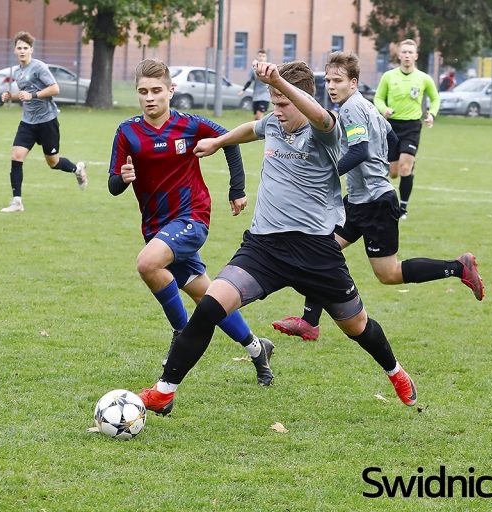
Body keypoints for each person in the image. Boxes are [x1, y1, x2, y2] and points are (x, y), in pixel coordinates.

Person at [137, 59, 418, 416]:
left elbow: (318, 115)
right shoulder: (275, 122)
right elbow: (252, 128)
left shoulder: (325, 130)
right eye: (274, 102)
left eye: (284, 103)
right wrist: (218, 142)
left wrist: (282, 85)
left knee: (357, 326)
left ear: (299, 98)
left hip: (315, 252)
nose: (278, 110)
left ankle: (396, 373)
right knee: (209, 306)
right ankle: (164, 390)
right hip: (263, 247)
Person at [272, 52, 484, 341]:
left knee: (389, 274)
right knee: (320, 250)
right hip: (359, 201)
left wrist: (329, 173)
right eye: (329, 80)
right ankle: (310, 322)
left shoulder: (351, 110)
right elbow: (392, 139)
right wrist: (382, 165)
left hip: (375, 204)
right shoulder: (366, 106)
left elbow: (359, 151)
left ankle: (459, 267)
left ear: (354, 82)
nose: (331, 86)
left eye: (338, 81)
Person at [108, 58, 274, 386]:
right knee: (208, 296)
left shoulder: (189, 124)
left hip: (191, 217)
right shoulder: (127, 132)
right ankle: (258, 349)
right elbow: (113, 184)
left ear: (171, 90)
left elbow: (229, 140)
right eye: (143, 91)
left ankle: (181, 332)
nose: (150, 97)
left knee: (147, 264)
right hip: (155, 228)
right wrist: (123, 178)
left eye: (157, 90)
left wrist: (237, 188)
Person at [0, 31, 87, 213]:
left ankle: (77, 169)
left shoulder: (38, 67)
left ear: (31, 49)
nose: (22, 51)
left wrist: (32, 95)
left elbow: (55, 88)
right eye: (19, 48)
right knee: (16, 156)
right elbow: (25, 96)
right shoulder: (18, 72)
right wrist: (11, 97)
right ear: (14, 50)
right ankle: (17, 202)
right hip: (28, 122)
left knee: (53, 163)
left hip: (47, 121)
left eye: (25, 48)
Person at [374, 39, 440, 219]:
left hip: (412, 126)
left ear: (416, 56)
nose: (407, 55)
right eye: (404, 52)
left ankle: (402, 209)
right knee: (393, 172)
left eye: (411, 52)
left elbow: (435, 99)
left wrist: (431, 114)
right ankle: (407, 166)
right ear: (399, 55)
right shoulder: (388, 76)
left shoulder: (424, 78)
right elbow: (378, 98)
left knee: (405, 168)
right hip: (392, 126)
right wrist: (384, 109)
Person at [238, 49, 271, 120]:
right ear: (257, 57)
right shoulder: (253, 69)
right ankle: (256, 130)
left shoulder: (269, 68)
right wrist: (243, 90)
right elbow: (249, 81)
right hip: (256, 96)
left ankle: (262, 130)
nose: (262, 58)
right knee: (256, 118)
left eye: (263, 56)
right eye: (260, 56)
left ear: (266, 58)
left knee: (259, 116)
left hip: (265, 96)